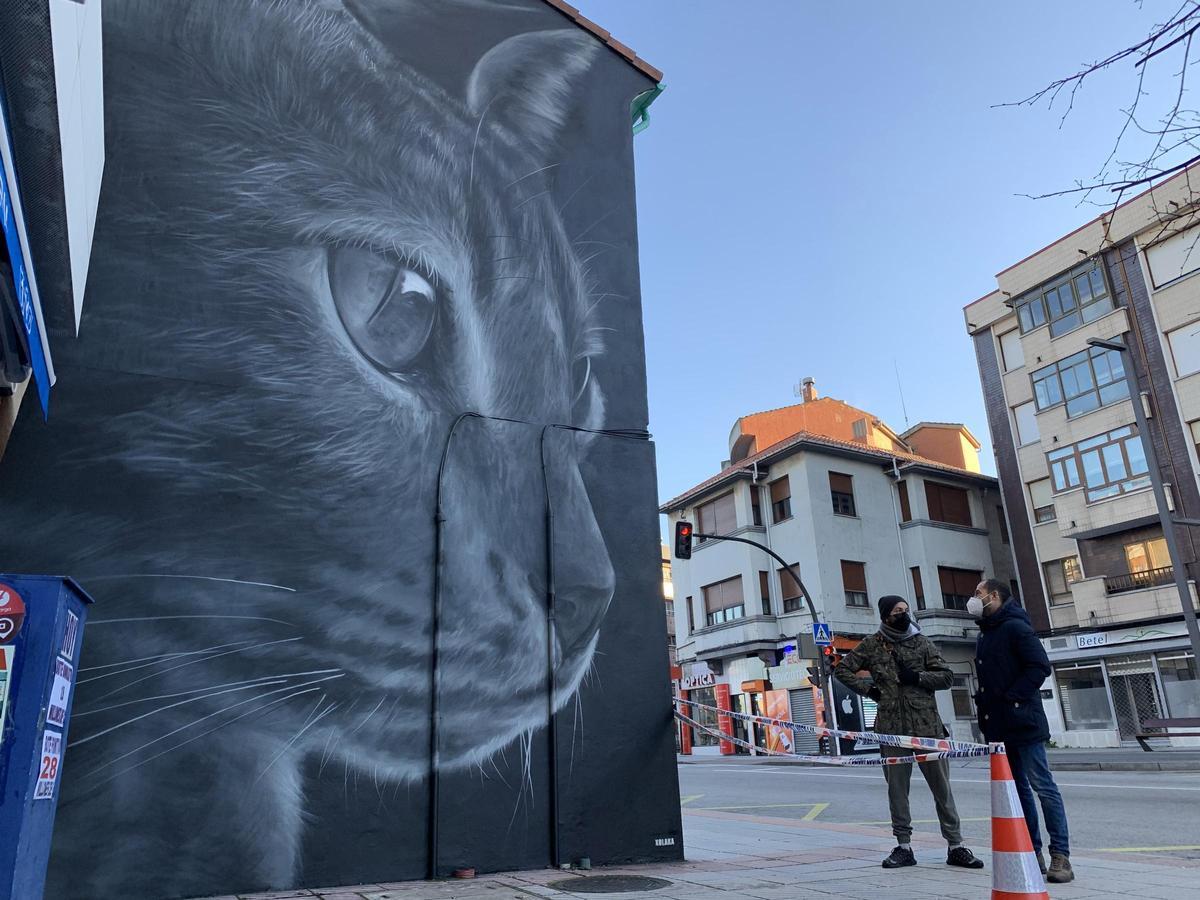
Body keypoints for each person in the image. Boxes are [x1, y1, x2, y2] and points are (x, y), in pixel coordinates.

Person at [835, 595, 984, 870]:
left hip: (927, 728)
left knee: (942, 790)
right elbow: (842, 670)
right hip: (891, 730)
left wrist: (917, 678)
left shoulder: (922, 642)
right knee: (897, 790)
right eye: (896, 611)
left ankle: (956, 845)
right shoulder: (871, 645)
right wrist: (870, 691)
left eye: (905, 610)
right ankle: (903, 846)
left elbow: (946, 677)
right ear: (885, 616)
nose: (902, 615)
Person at [970, 579, 1073, 884]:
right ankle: (1031, 851)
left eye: (978, 594)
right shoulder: (985, 633)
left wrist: (1014, 698)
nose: (974, 599)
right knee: (1017, 791)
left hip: (1024, 722)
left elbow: (1039, 666)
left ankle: (1061, 856)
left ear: (995, 596)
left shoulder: (1015, 627)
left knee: (1042, 786)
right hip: (1000, 726)